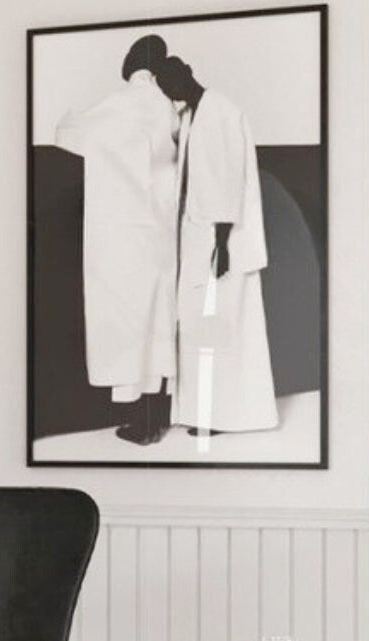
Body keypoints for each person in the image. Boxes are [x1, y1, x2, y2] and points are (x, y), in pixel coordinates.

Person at [55, 35, 179, 445]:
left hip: (118, 234)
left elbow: (67, 133)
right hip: (159, 232)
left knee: (125, 326)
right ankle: (157, 417)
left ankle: (140, 422)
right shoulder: (167, 107)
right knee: (158, 322)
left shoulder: (117, 104)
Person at [155, 56, 278, 435]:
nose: (170, 96)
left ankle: (221, 416)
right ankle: (200, 412)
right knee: (197, 327)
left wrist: (221, 244)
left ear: (185, 77)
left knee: (220, 327)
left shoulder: (221, 111)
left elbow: (229, 180)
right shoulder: (192, 115)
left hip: (221, 240)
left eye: (171, 87)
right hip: (199, 237)